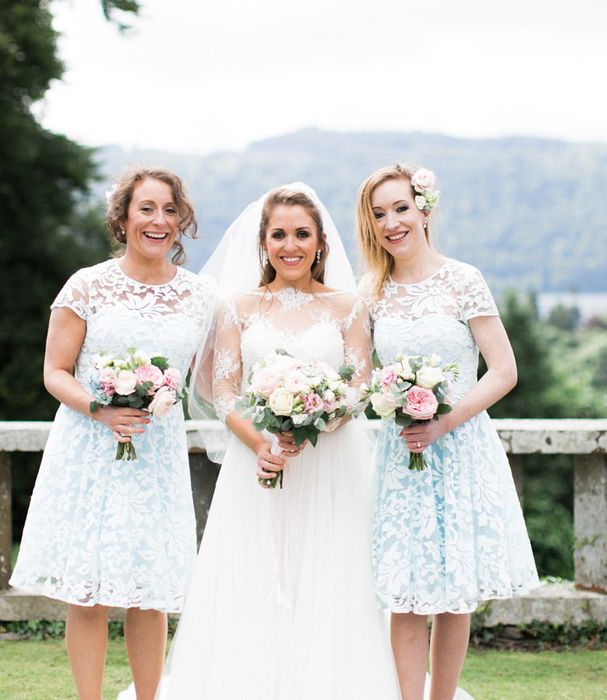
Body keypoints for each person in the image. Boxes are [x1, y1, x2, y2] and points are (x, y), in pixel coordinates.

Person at [120, 184, 402, 699]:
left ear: (320, 243)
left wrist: (314, 422)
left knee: (331, 578)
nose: (289, 245)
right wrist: (262, 442)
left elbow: (360, 386)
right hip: (255, 464)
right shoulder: (237, 307)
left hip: (330, 464)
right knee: (249, 581)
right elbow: (224, 390)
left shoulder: (349, 306)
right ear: (263, 243)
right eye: (278, 235)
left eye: (301, 234)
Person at [10, 167, 214, 700]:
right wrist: (100, 408)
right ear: (123, 217)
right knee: (91, 590)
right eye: (146, 208)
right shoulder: (87, 284)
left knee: (150, 592)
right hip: (90, 448)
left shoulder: (200, 296)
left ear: (181, 221)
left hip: (156, 453)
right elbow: (54, 371)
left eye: (170, 210)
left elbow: (217, 379)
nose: (159, 221)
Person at [356, 163, 539, 700]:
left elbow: (504, 370)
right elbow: (361, 382)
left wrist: (444, 421)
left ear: (424, 210)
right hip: (400, 453)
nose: (392, 222)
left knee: (452, 595)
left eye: (401, 208)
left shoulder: (463, 279)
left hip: (458, 448)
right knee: (406, 593)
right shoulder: (372, 293)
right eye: (380, 213)